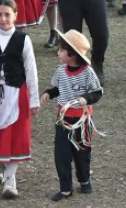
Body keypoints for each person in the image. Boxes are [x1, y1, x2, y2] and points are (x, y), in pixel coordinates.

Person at [0, 0, 39, 200]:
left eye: (7, 15)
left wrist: (34, 99)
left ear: (15, 16)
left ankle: (11, 178)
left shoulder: (23, 39)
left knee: (14, 133)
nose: (3, 19)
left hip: (16, 93)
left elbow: (31, 70)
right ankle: (2, 169)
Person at [40, 30, 103, 202]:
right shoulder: (61, 71)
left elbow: (97, 93)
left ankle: (84, 181)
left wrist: (86, 99)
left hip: (81, 122)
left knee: (82, 153)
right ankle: (65, 188)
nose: (58, 52)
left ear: (72, 54)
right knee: (61, 154)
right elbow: (58, 88)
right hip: (63, 121)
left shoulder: (87, 72)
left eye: (61, 50)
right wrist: (48, 93)